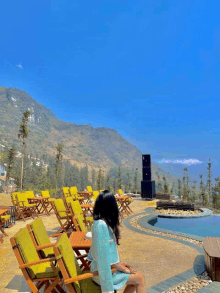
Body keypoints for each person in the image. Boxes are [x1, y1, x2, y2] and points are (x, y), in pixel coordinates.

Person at [87, 190, 146, 293]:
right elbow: (102, 260)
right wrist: (122, 268)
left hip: (106, 270)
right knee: (140, 278)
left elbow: (104, 256)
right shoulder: (101, 226)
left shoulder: (101, 223)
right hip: (102, 274)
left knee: (135, 278)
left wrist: (120, 264)